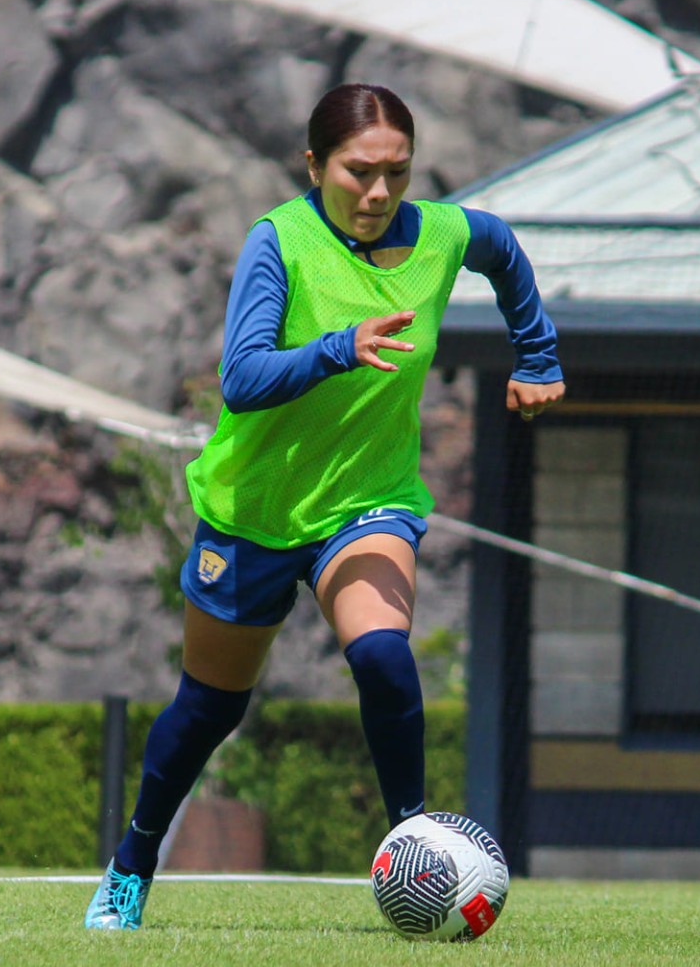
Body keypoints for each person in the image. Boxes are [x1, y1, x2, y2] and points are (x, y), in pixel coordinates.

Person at [85, 82, 565, 931]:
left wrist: (538, 353)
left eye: (397, 172)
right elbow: (242, 379)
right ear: (314, 165)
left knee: (382, 655)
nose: (379, 192)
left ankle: (417, 844)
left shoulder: (442, 235)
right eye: (358, 172)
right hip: (254, 512)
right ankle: (132, 863)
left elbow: (498, 245)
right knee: (208, 710)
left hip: (367, 503)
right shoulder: (280, 241)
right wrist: (340, 347)